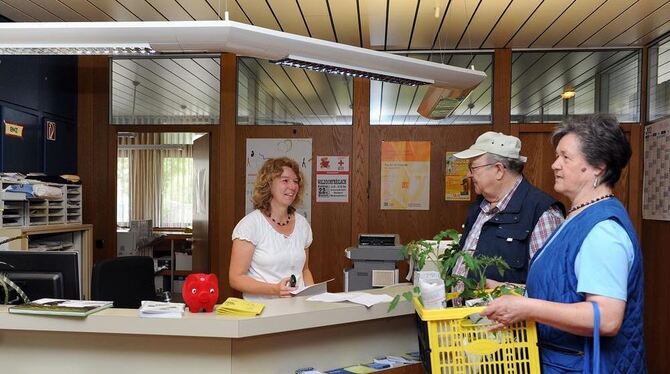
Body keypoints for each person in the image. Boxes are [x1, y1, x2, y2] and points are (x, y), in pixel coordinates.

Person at [481, 114, 646, 372]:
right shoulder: (578, 216)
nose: (555, 165)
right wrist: (511, 292)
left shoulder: (603, 230)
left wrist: (527, 308)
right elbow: (564, 286)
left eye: (565, 157)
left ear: (598, 167)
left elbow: (607, 318)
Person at [451, 132, 564, 290]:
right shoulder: (479, 208)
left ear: (498, 170)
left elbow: (551, 287)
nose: (468, 175)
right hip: (461, 313)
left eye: (473, 168)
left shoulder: (542, 213)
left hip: (501, 314)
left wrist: (501, 289)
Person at [229, 157, 314, 301]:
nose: (292, 186)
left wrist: (313, 299)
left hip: (298, 312)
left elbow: (304, 270)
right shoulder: (250, 225)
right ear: (268, 184)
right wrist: (274, 290)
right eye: (285, 180)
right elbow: (236, 278)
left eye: (295, 181)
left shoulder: (302, 225)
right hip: (261, 313)